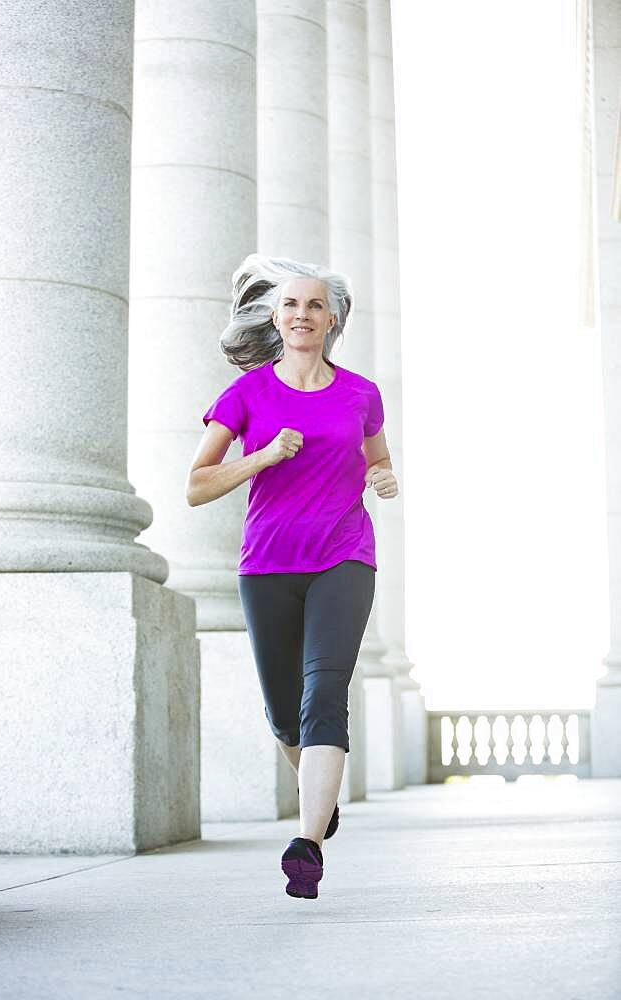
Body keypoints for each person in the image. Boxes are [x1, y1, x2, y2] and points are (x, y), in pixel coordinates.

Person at [186, 253, 399, 899]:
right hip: (267, 564)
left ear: (331, 318)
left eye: (314, 304)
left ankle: (307, 845)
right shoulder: (247, 395)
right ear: (275, 319)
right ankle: (318, 797)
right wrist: (265, 457)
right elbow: (196, 487)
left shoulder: (361, 393)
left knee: (323, 693)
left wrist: (383, 478)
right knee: (286, 716)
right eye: (290, 304)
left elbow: (378, 459)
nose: (301, 314)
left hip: (343, 556)